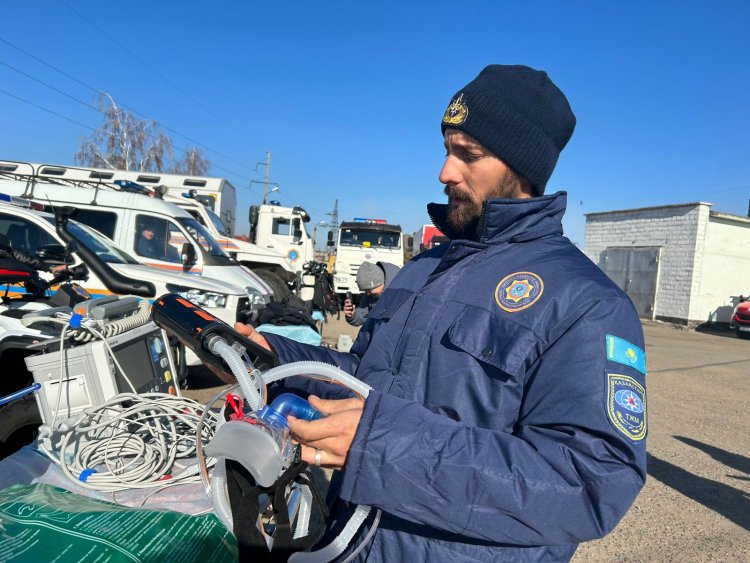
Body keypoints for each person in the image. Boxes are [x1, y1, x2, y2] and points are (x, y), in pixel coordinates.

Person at [231, 65, 647, 561]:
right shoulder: (424, 267)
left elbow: (590, 481)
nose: (445, 171)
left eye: (467, 154)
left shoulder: (587, 303)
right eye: (447, 149)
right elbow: (364, 380)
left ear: (522, 168)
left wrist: (381, 444)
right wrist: (272, 356)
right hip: (349, 543)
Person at [344, 261, 401, 326]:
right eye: (365, 291)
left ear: (378, 283)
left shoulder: (400, 292)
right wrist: (352, 315)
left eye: (368, 290)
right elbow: (363, 315)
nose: (367, 294)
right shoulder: (371, 295)